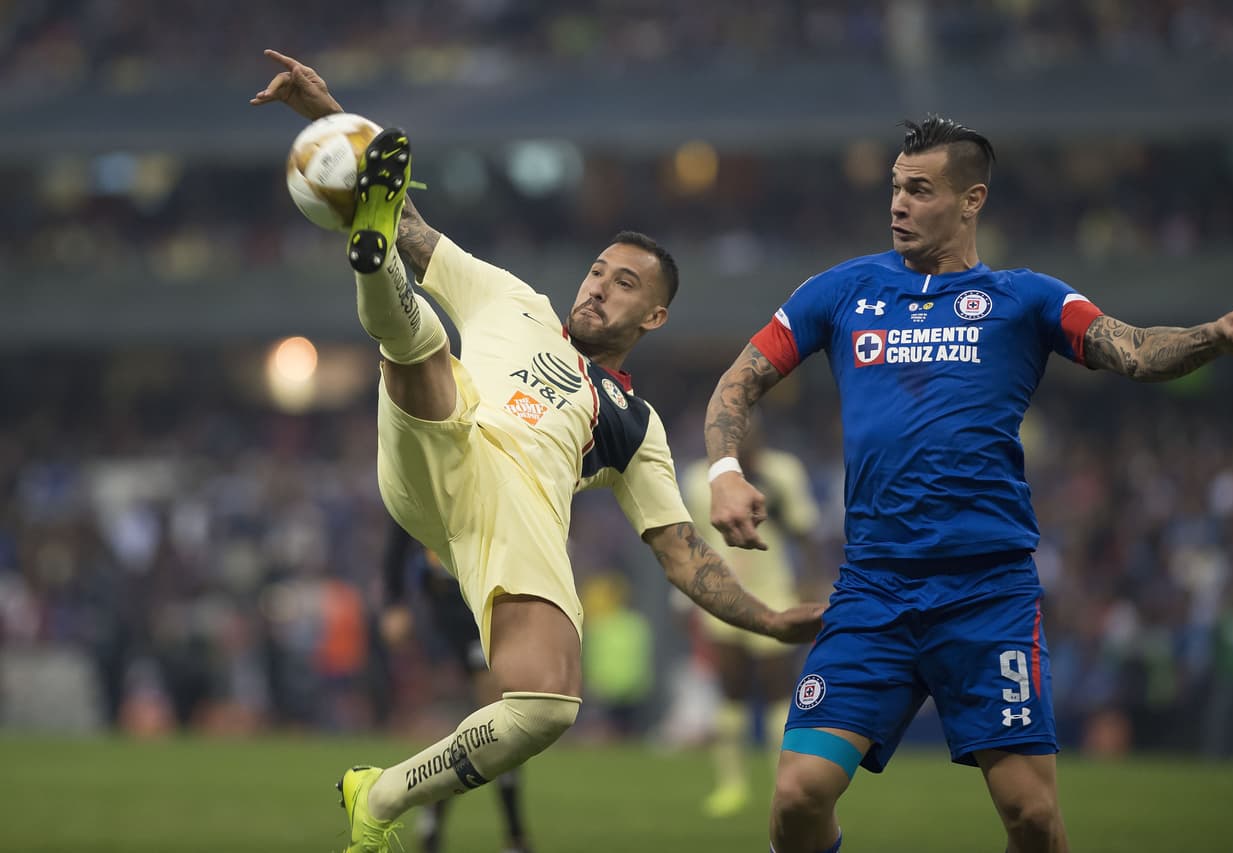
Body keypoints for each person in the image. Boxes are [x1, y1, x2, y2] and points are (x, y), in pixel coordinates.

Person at [250, 49, 825, 853]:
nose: (598, 286)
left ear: (653, 317)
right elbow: (410, 222)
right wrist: (327, 113)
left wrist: (768, 619)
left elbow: (679, 549)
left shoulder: (632, 422)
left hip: (507, 520)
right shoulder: (513, 299)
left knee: (548, 704)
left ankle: (377, 795)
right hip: (437, 442)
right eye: (597, 271)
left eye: (624, 284)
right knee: (425, 345)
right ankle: (372, 270)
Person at [703, 115, 1233, 853]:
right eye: (896, 187)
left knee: (1032, 818)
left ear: (971, 199)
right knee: (796, 795)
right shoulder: (842, 290)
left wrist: (1212, 335)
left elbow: (1133, 350)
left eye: (920, 190)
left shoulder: (1028, 299)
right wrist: (725, 470)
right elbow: (739, 380)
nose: (898, 203)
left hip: (986, 593)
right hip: (874, 588)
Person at [679, 418, 822, 818]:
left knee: (779, 690)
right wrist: (683, 599)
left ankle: (784, 782)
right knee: (731, 690)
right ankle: (731, 786)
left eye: (752, 435)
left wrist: (811, 584)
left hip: (775, 592)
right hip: (722, 596)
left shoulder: (783, 473)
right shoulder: (698, 479)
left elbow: (804, 532)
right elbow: (689, 543)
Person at [379, 519, 533, 853]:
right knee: (494, 715)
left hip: (492, 598)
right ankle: (513, 836)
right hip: (448, 605)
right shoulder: (428, 489)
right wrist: (394, 602)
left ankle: (438, 817)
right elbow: (399, 535)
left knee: (493, 718)